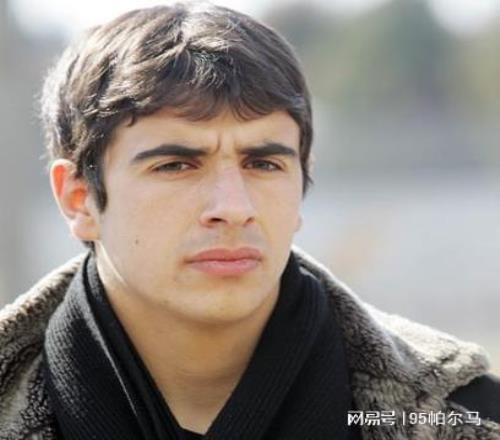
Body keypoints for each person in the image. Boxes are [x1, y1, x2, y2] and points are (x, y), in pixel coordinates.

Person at [0, 3, 499, 439]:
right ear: (79, 199)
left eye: (263, 163)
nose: (234, 206)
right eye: (175, 165)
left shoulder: (466, 416)